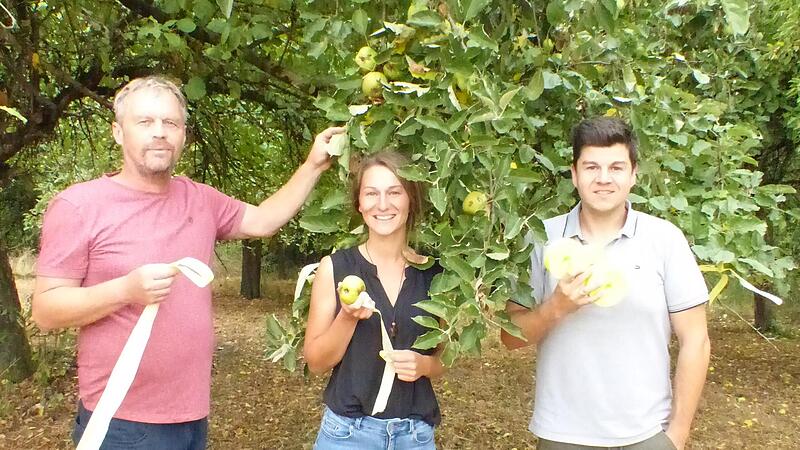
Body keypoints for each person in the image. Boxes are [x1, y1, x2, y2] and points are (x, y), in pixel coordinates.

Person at [31, 75, 344, 449]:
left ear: (183, 135)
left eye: (171, 123)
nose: (159, 133)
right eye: (145, 122)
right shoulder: (78, 206)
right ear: (117, 132)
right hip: (120, 422)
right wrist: (125, 290)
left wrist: (312, 165)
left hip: (191, 417)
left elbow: (263, 221)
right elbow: (46, 310)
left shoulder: (200, 199)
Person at [501, 117, 711, 450]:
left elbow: (696, 340)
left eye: (615, 167)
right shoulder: (541, 237)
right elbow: (510, 338)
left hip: (646, 434)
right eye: (591, 167)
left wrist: (677, 436)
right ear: (574, 174)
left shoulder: (664, 239)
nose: (603, 179)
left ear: (633, 174)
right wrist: (555, 308)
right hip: (562, 435)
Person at [303, 150, 445, 449]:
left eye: (394, 192)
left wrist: (424, 365)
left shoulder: (436, 274)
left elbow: (444, 359)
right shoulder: (335, 268)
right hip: (347, 435)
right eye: (371, 193)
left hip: (415, 437)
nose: (383, 204)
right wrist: (347, 317)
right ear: (359, 203)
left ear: (411, 199)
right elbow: (315, 362)